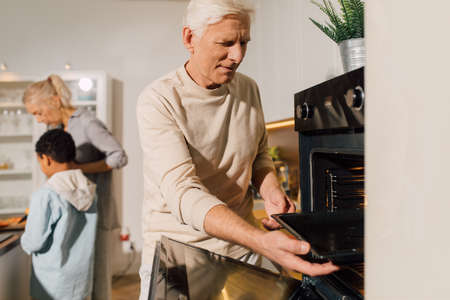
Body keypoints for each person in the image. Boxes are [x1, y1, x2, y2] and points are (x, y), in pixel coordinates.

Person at [136, 0, 338, 298]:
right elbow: (182, 192)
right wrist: (259, 240)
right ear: (189, 38)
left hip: (241, 250)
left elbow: (258, 155)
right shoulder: (159, 100)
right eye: (226, 42)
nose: (238, 55)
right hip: (179, 255)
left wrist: (270, 191)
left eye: (244, 42)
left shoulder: (247, 88)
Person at [23, 75, 128, 300]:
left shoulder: (87, 123)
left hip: (92, 212)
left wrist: (80, 167)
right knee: (76, 280)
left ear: (55, 100)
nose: (39, 119)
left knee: (97, 280)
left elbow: (119, 156)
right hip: (68, 213)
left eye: (38, 112)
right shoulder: (58, 128)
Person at [21, 129, 97, 300]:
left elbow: (34, 242)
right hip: (80, 282)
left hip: (51, 285)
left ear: (46, 159)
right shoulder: (90, 189)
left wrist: (23, 240)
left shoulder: (46, 194)